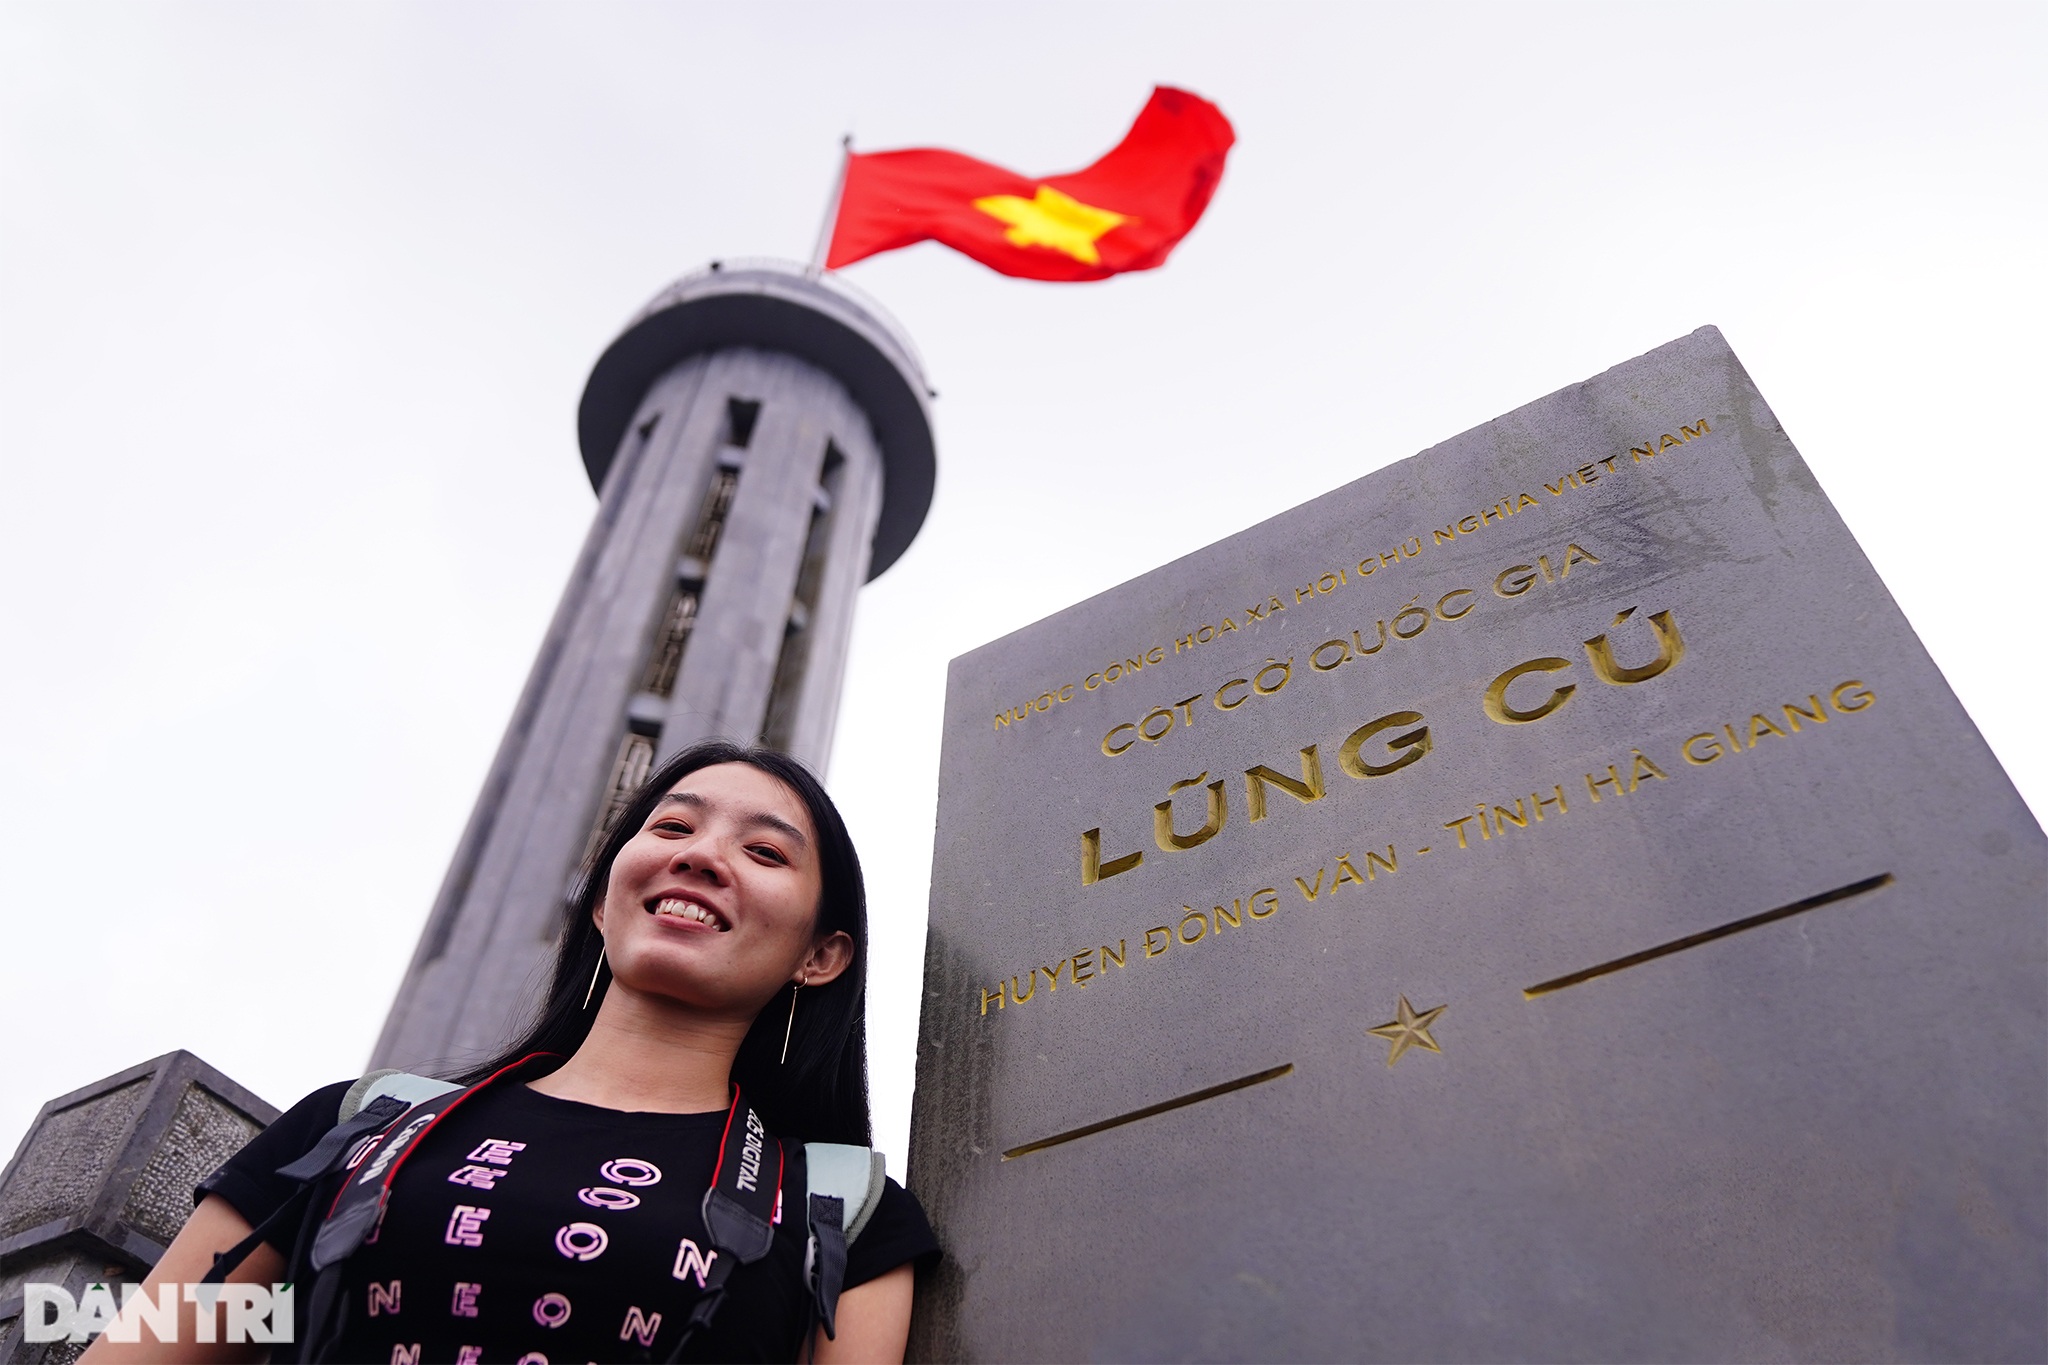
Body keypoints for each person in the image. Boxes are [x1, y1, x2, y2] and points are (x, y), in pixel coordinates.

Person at [85, 741, 938, 1363]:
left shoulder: (839, 1212)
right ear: (606, 903)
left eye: (762, 850)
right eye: (672, 824)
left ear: (818, 955)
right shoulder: (357, 1127)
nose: (699, 855)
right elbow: (153, 1352)